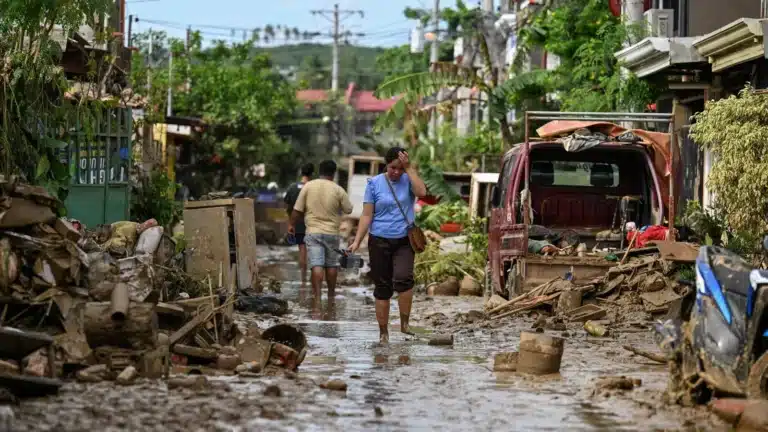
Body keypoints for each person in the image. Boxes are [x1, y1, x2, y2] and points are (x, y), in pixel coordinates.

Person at [349, 147, 427, 344]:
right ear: (386, 165)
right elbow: (367, 215)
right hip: (379, 240)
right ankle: (383, 333)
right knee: (382, 287)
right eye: (393, 168)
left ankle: (405, 324)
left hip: (404, 240)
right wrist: (357, 241)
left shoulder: (408, 179)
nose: (396, 172)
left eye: (400, 168)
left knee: (404, 279)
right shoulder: (374, 184)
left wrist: (409, 168)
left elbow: (422, 192)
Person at [289, 160, 353, 298]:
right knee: (331, 265)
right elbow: (348, 209)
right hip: (332, 233)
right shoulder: (338, 189)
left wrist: (291, 225)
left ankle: (317, 296)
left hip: (313, 232)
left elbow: (297, 209)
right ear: (334, 173)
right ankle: (331, 295)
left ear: (319, 171)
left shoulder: (308, 186)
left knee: (316, 264)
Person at [284, 163, 314, 286]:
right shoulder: (314, 187)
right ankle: (314, 277)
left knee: (302, 249)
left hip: (298, 223)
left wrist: (290, 222)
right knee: (314, 250)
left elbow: (287, 205)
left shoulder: (293, 187)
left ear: (301, 172)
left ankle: (303, 279)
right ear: (312, 173)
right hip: (313, 223)